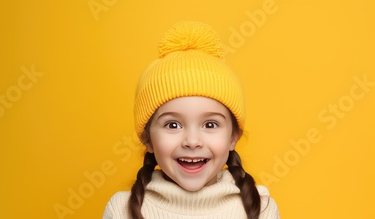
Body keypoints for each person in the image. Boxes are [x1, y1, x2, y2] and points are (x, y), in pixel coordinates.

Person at [103, 21, 280, 219]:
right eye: (172, 125)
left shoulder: (261, 209)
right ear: (147, 139)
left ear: (233, 137)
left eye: (210, 124)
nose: (192, 141)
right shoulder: (121, 210)